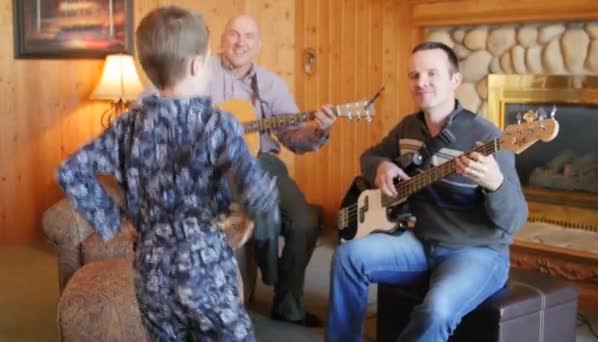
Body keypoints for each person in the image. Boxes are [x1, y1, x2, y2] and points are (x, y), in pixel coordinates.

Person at [56, 5, 279, 341]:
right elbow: (258, 194)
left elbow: (71, 171)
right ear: (195, 65)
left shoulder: (127, 125)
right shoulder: (219, 124)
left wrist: (115, 221)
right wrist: (248, 215)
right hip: (206, 273)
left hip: (151, 271)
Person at [325, 41, 529, 342]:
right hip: (420, 242)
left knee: (437, 310)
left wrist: (494, 184)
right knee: (348, 256)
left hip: (476, 252)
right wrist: (381, 167)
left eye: (432, 74)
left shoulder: (487, 137)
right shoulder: (408, 127)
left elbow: (515, 221)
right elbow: (370, 156)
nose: (421, 83)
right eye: (414, 75)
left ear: (455, 80)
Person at [208, 14, 337, 327]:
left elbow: (293, 135)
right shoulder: (201, 72)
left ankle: (287, 304)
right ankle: (271, 271)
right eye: (234, 35)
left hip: (264, 162)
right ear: (222, 38)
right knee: (259, 207)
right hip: (217, 170)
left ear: (258, 45)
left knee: (305, 220)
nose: (241, 43)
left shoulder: (270, 83)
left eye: (249, 37)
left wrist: (319, 131)